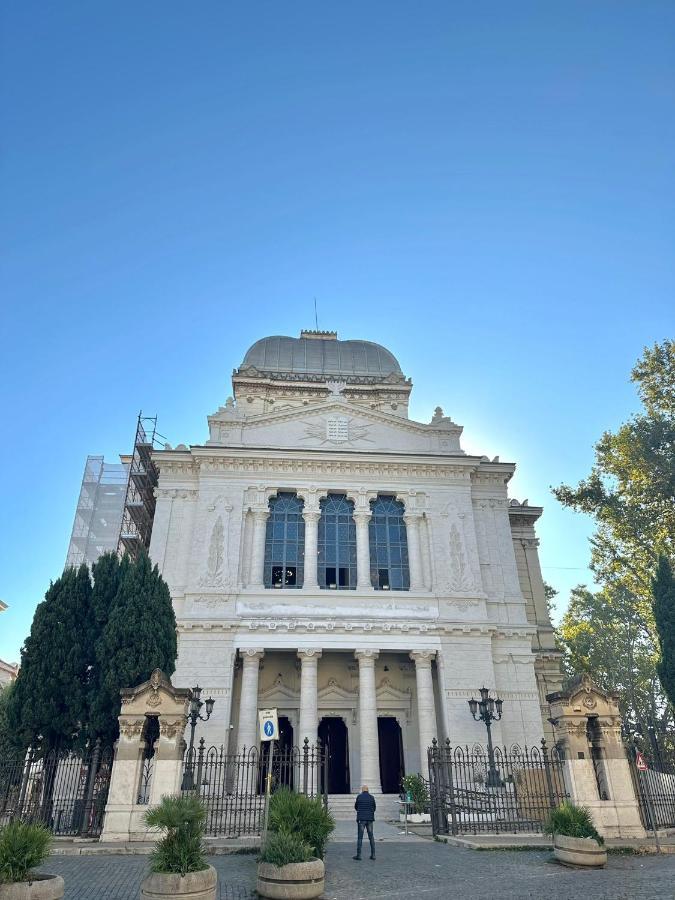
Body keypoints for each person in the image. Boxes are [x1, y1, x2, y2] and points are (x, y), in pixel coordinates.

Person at [353, 784, 376, 860]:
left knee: (360, 837)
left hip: (361, 819)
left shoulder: (359, 797)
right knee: (371, 837)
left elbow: (356, 807)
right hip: (370, 819)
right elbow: (374, 807)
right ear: (368, 790)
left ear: (362, 790)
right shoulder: (371, 797)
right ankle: (373, 855)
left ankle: (359, 855)